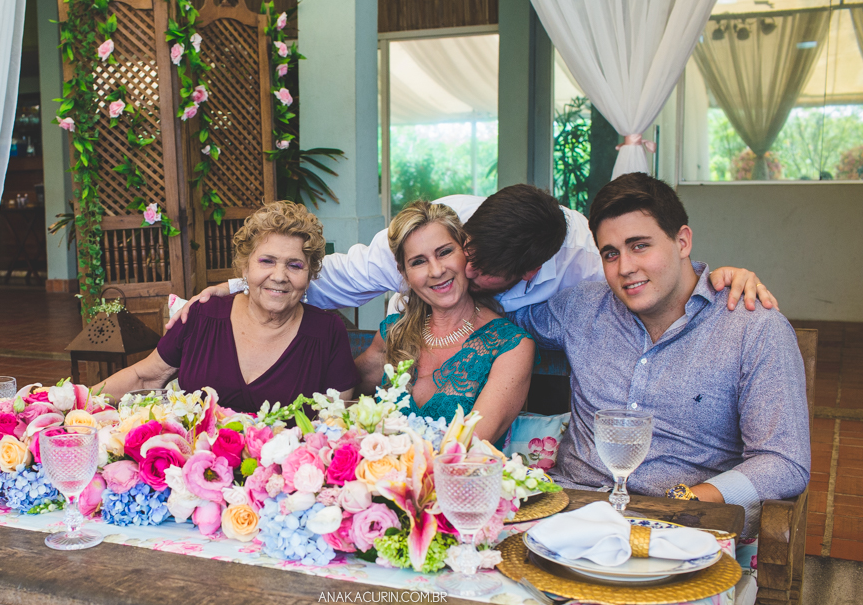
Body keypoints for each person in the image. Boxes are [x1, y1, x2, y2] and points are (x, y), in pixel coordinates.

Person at [509, 173, 810, 535]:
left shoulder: (751, 328)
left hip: (679, 526)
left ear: (682, 241)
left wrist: (690, 500)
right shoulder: (581, 308)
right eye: (610, 253)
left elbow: (784, 461)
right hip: (569, 511)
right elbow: (490, 317)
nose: (625, 268)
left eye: (640, 246)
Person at [166, 184, 777, 329]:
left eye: (478, 273)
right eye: (463, 253)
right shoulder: (442, 232)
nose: (452, 274)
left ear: (527, 277)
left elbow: (656, 277)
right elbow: (333, 279)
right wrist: (235, 292)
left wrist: (722, 275)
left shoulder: (588, 265)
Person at [96, 201, 360, 411]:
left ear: (310, 273)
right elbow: (144, 378)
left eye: (295, 265)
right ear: (245, 266)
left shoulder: (327, 332)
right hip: (195, 471)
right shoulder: (201, 315)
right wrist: (72, 401)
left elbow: (335, 420)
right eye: (267, 261)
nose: (280, 276)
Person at [354, 201, 536, 445]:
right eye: (418, 261)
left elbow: (467, 448)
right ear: (404, 272)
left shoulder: (510, 346)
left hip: (463, 481)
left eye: (445, 252)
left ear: (466, 253)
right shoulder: (394, 334)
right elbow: (340, 394)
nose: (436, 270)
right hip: (384, 479)